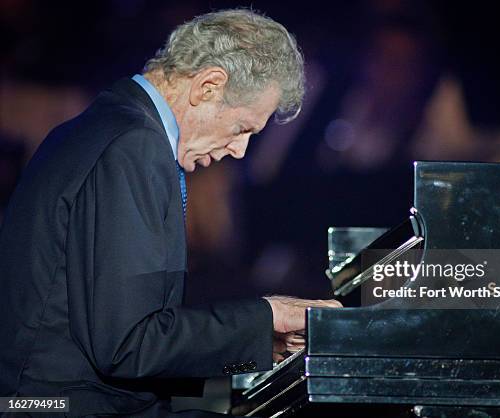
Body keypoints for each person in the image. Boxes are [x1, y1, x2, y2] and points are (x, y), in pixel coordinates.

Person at [0, 9, 340, 417]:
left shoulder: (111, 124)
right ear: (209, 86)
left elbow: (122, 338)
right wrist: (270, 314)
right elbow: (128, 347)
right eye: (243, 128)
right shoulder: (134, 144)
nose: (241, 150)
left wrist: (253, 347)